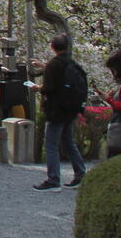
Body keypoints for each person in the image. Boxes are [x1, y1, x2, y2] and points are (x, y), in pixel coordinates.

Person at [29, 33, 87, 191]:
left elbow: (48, 87)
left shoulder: (54, 64)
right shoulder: (71, 62)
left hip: (56, 110)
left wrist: (37, 88)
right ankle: (81, 173)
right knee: (69, 142)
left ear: (52, 47)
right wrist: (43, 66)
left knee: (51, 144)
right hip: (69, 109)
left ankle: (53, 179)